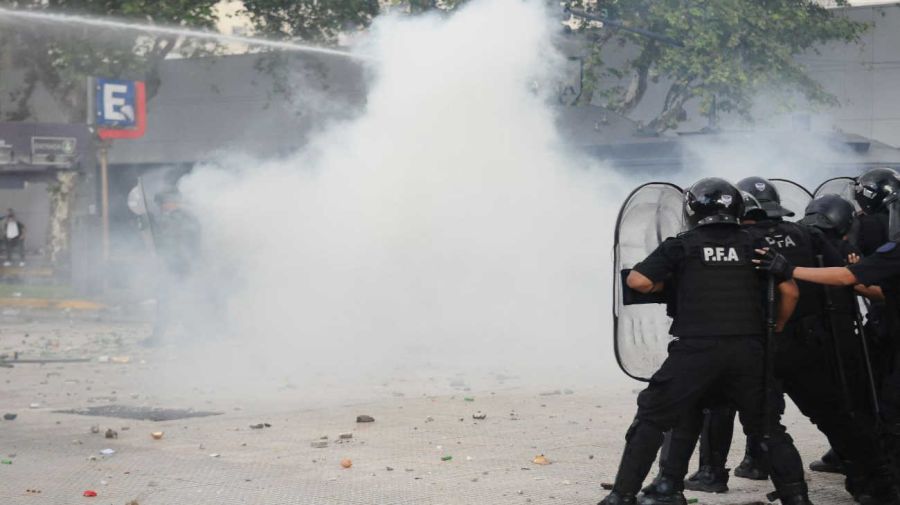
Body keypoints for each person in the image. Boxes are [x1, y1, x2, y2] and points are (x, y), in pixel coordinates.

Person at [598, 177, 811, 505]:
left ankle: (624, 495)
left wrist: (672, 287)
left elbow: (638, 281)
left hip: (695, 350)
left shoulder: (682, 245)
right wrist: (776, 328)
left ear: (692, 209)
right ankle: (796, 498)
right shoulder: (756, 244)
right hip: (749, 351)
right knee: (768, 430)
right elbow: (790, 291)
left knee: (651, 418)